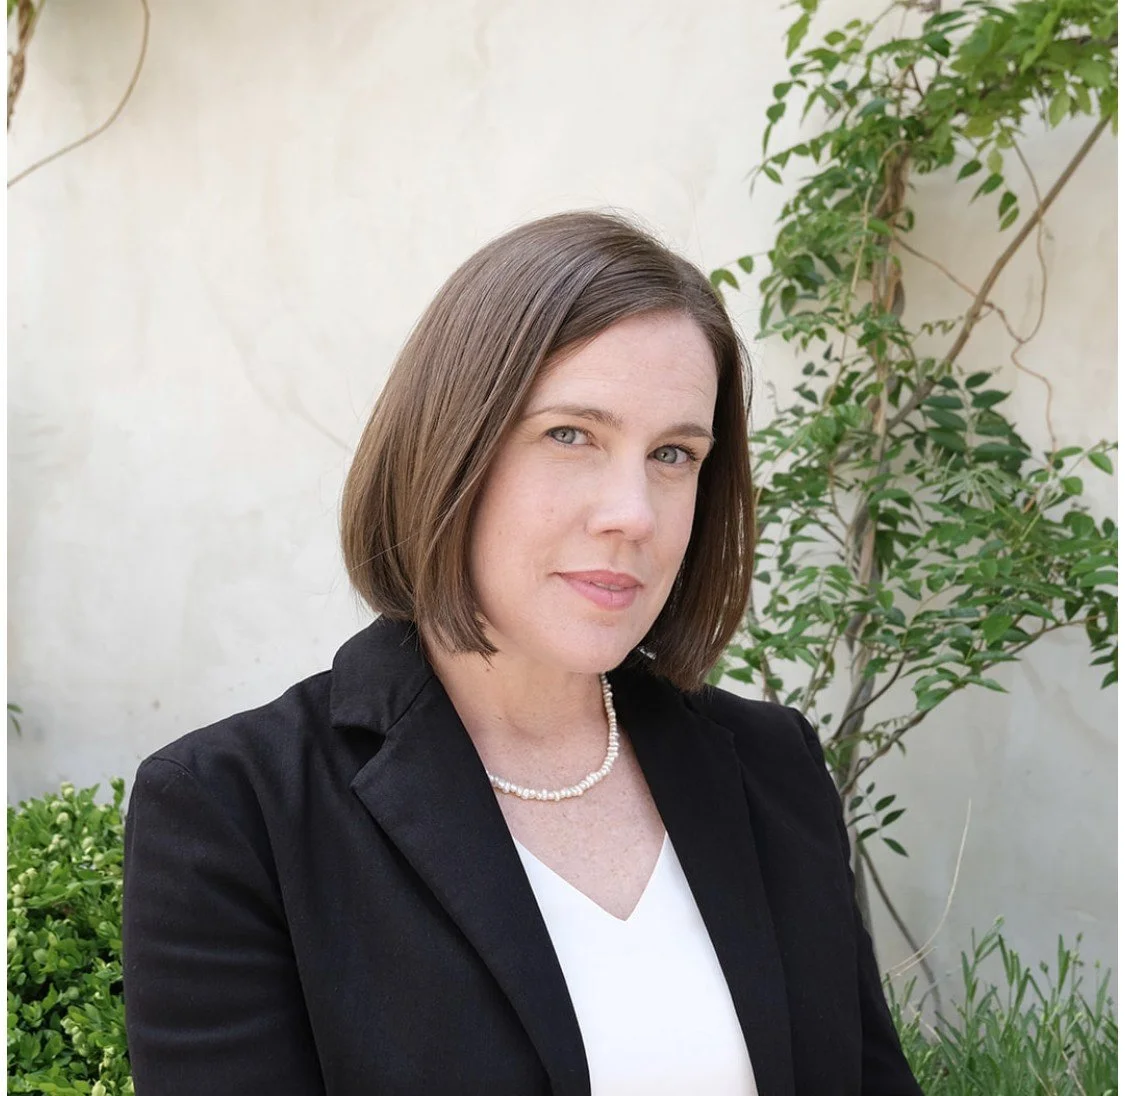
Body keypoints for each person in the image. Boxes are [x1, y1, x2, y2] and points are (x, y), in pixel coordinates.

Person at [122, 211, 922, 1095]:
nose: (633, 514)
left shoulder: (772, 767)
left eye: (672, 454)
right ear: (449, 445)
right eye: (570, 434)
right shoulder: (236, 811)